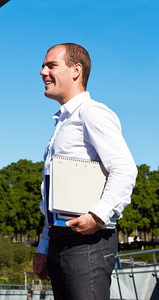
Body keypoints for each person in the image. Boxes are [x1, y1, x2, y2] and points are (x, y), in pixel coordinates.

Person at [32, 43, 137, 299]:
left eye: (51, 65)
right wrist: (45, 245)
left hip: (88, 241)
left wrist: (98, 216)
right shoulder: (63, 122)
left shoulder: (91, 113)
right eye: (43, 66)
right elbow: (55, 196)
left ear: (76, 70)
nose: (42, 72)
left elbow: (124, 169)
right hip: (62, 238)